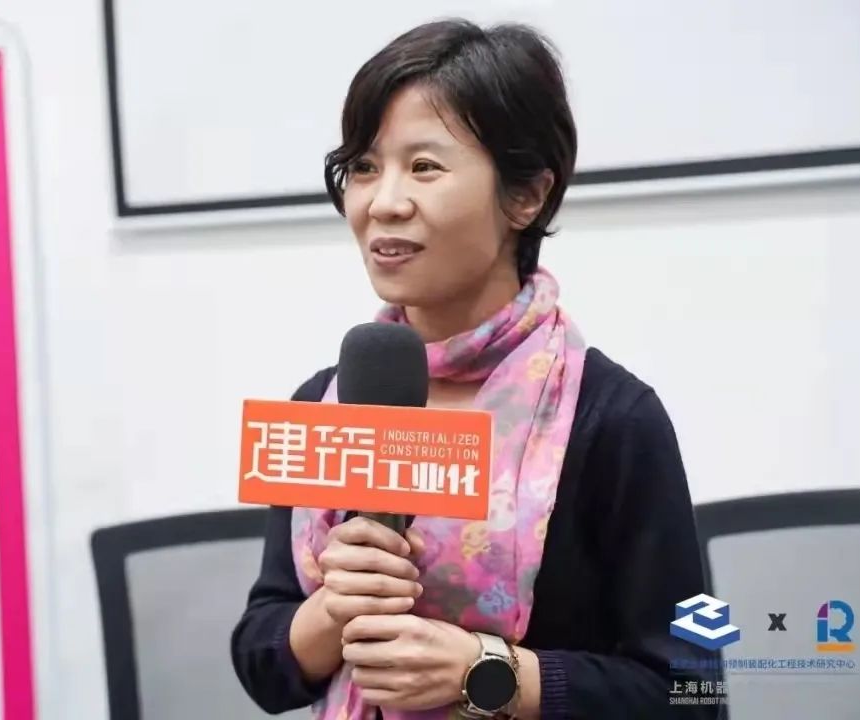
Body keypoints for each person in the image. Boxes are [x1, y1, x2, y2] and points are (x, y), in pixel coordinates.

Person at [231, 18, 721, 720]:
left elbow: (690, 693)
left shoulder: (610, 418)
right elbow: (264, 664)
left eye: (424, 167)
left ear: (525, 196)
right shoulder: (326, 402)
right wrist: (334, 610)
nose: (383, 202)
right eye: (364, 167)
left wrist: (484, 672)